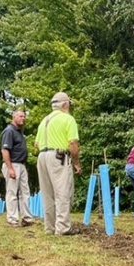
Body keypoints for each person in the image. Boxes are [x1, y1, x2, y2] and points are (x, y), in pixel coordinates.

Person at [35, 92, 82, 235]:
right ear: (65, 104)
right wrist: (76, 163)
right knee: (62, 192)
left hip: (42, 156)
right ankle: (63, 227)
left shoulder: (44, 121)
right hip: (58, 156)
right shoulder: (67, 119)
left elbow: (36, 144)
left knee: (47, 194)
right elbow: (73, 143)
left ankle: (50, 227)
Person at [1, 110, 34, 227]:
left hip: (21, 165)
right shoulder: (9, 131)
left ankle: (27, 218)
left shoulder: (19, 132)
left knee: (25, 192)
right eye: (20, 116)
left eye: (24, 116)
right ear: (13, 117)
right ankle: (12, 219)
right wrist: (10, 169)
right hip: (12, 164)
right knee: (12, 193)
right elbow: (5, 150)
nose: (23, 118)